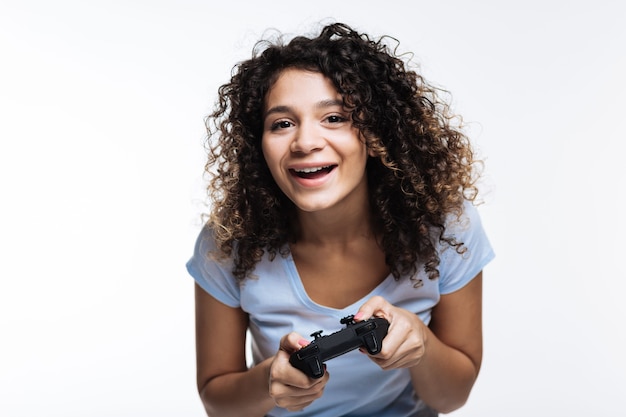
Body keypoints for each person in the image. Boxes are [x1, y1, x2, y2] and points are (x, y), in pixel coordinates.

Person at [186, 21, 495, 417]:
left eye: (334, 118)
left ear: (377, 133)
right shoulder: (229, 241)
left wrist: (421, 343)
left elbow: (451, 398)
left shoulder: (446, 227)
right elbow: (217, 402)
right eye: (282, 123)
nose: (305, 142)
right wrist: (270, 382)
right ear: (256, 145)